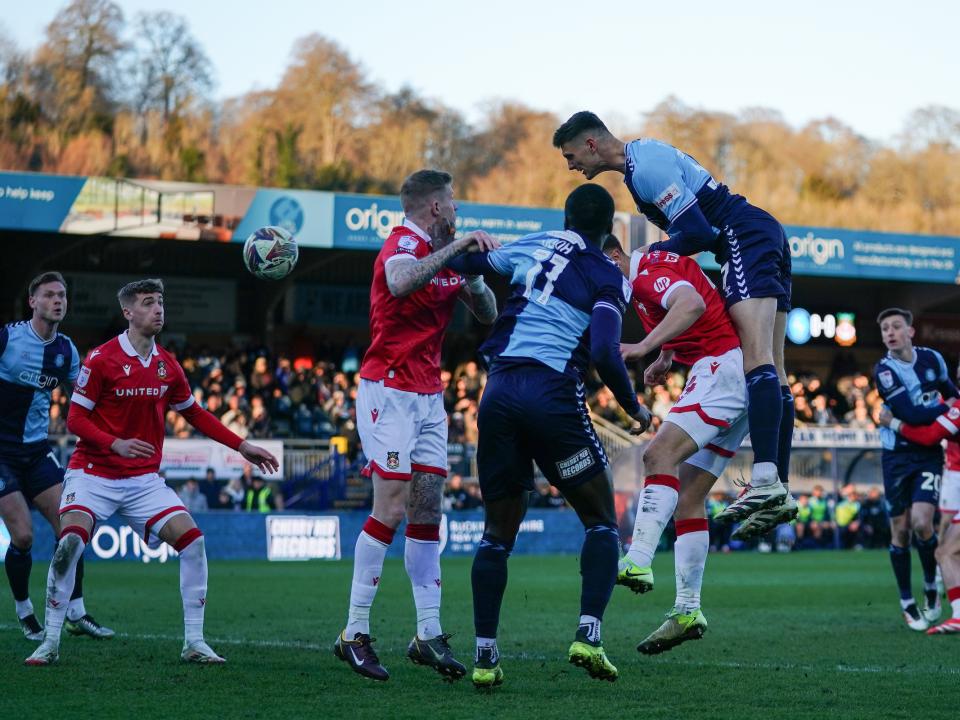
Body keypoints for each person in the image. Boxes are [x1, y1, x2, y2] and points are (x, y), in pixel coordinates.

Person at [447, 184, 652, 687]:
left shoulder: (535, 243)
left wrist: (463, 243)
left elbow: (471, 266)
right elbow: (605, 351)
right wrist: (634, 407)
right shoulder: (607, 273)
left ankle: (485, 658)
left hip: (496, 394)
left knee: (497, 535)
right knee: (602, 521)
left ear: (564, 217)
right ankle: (588, 634)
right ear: (610, 230)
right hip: (551, 396)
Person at [554, 112, 794, 522]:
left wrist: (653, 255)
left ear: (592, 144)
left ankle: (768, 477)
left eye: (572, 155)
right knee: (773, 367)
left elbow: (702, 233)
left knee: (755, 357)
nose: (572, 165)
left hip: (742, 235)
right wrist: (667, 348)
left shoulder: (645, 167)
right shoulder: (640, 166)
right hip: (757, 233)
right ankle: (779, 487)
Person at [24, 278, 279, 666]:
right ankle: (51, 641)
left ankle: (194, 641)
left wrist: (242, 446)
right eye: (148, 303)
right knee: (70, 543)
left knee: (193, 542)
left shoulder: (167, 365)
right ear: (128, 312)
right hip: (93, 473)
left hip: (142, 481)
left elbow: (194, 413)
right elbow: (75, 419)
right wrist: (115, 443)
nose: (158, 309)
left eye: (160, 302)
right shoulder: (102, 359)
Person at [334, 169, 499, 683]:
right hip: (389, 389)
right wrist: (454, 251)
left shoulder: (445, 251)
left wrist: (470, 269)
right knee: (390, 504)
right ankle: (353, 633)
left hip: (429, 395)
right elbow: (400, 281)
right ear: (433, 207)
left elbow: (488, 314)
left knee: (429, 506)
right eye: (452, 201)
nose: (457, 209)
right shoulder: (402, 243)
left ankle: (427, 633)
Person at [604, 237, 757, 653]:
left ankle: (637, 559)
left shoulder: (645, 274)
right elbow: (685, 304)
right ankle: (687, 610)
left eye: (600, 266)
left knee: (658, 454)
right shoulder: (651, 268)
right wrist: (667, 356)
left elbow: (691, 305)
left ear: (615, 255)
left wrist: (644, 346)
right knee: (688, 497)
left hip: (718, 368)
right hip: (728, 371)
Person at [0, 272, 113, 641]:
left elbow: (85, 400)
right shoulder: (8, 339)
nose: (57, 301)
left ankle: (75, 611)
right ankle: (24, 610)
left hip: (36, 452)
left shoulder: (66, 350)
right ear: (32, 301)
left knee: (71, 530)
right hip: (1, 453)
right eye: (49, 295)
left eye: (62, 295)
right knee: (23, 537)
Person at [874, 307, 958, 631]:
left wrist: (950, 408)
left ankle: (930, 584)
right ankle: (906, 601)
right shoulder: (884, 370)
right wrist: (944, 410)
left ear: (910, 331)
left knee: (924, 523)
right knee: (901, 530)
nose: (890, 333)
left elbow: (953, 394)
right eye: (885, 329)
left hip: (926, 454)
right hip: (895, 456)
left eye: (896, 327)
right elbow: (911, 413)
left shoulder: (933, 359)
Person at [878, 396, 960, 634]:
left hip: (930, 460)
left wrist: (893, 423)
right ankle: (914, 599)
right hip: (901, 460)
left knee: (942, 547)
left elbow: (930, 436)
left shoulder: (954, 406)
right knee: (942, 548)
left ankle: (947, 602)